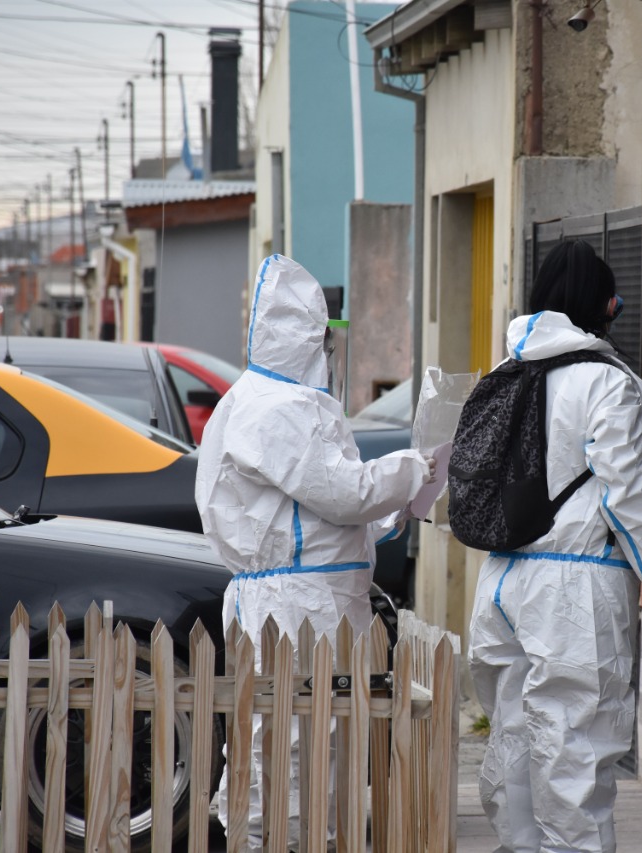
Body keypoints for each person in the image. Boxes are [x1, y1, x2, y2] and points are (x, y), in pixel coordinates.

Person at [195, 254, 434, 850]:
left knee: (277, 740)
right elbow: (341, 490)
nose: (329, 353)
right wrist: (412, 471)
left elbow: (310, 517)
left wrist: (386, 512)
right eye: (323, 339)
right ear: (304, 338)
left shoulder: (250, 401)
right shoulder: (281, 409)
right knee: (295, 746)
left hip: (296, 594)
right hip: (300, 606)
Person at [467, 240, 642, 853]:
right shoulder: (609, 385)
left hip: (502, 582)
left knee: (513, 739)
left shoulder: (506, 374)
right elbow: (630, 491)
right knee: (575, 750)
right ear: (604, 305)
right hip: (575, 588)